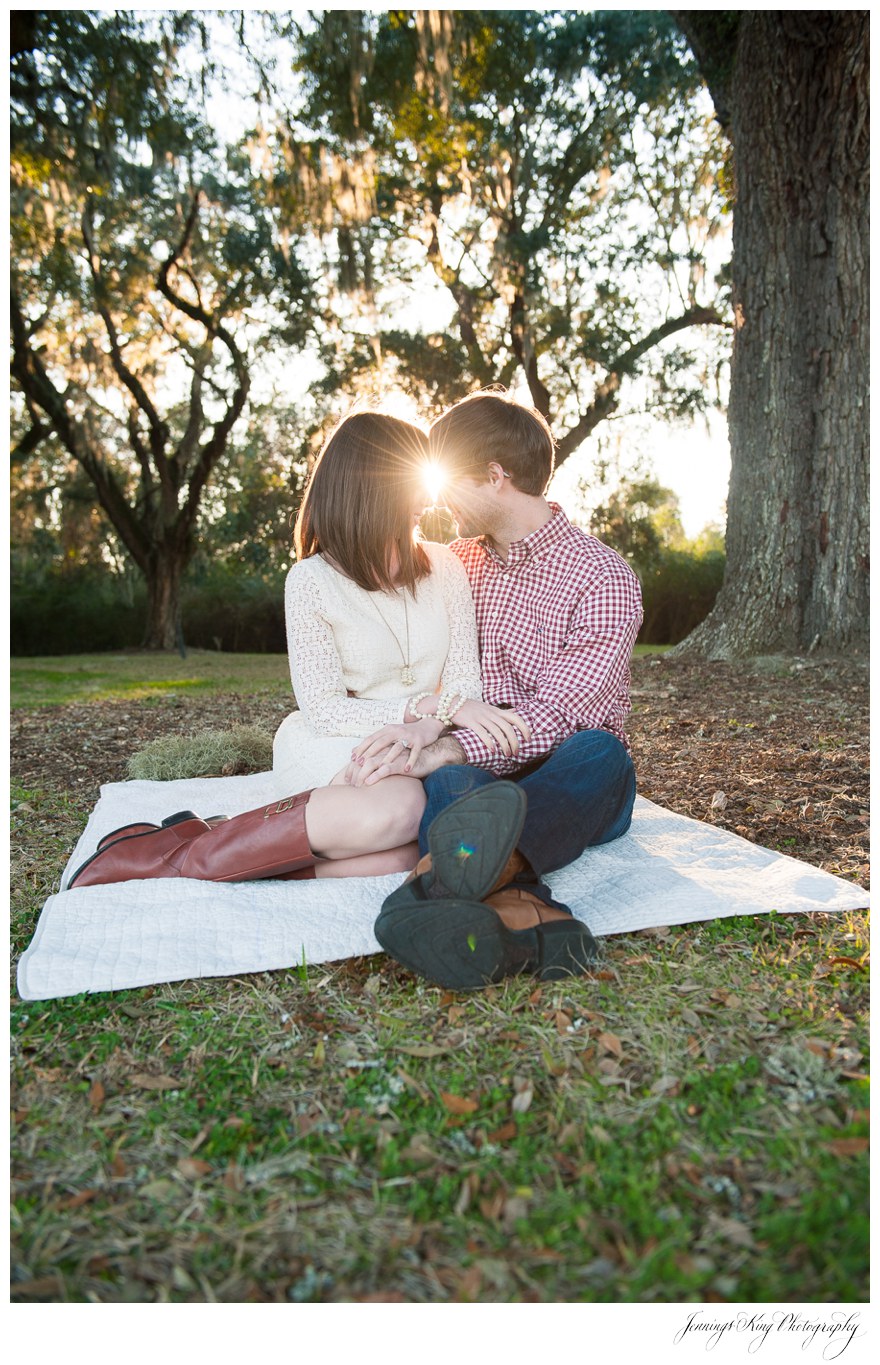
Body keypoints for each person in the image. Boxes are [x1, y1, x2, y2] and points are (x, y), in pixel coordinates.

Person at [68, 410, 529, 889]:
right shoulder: (310, 581)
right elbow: (325, 709)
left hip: (416, 742)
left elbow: (462, 681)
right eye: (415, 479)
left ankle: (209, 848)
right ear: (374, 487)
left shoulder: (445, 564)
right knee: (406, 810)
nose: (429, 498)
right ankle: (185, 856)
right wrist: (425, 706)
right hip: (336, 739)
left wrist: (427, 726)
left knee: (420, 845)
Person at [345, 389, 643, 990]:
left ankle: (430, 884)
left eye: (446, 479)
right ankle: (523, 911)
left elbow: (563, 713)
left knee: (600, 754)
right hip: (482, 779)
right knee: (456, 786)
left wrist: (451, 746)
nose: (434, 497)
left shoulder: (602, 576)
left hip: (571, 772)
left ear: (493, 476)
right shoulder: (454, 564)